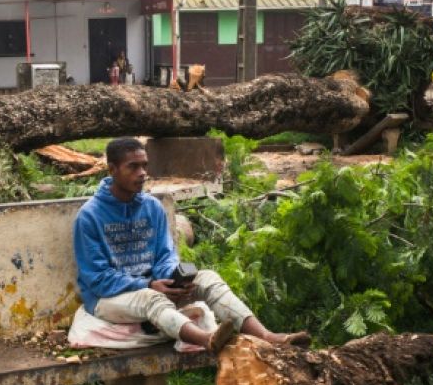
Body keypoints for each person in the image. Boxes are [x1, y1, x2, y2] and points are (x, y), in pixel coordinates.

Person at [73, 137, 310, 352]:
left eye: (145, 165)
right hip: (107, 299)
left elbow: (165, 255)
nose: (143, 173)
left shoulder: (152, 208)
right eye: (133, 167)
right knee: (151, 299)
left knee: (208, 279)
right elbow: (98, 278)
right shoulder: (90, 216)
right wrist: (148, 285)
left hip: (154, 288)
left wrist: (175, 281)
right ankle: (208, 340)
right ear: (112, 169)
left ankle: (268, 337)